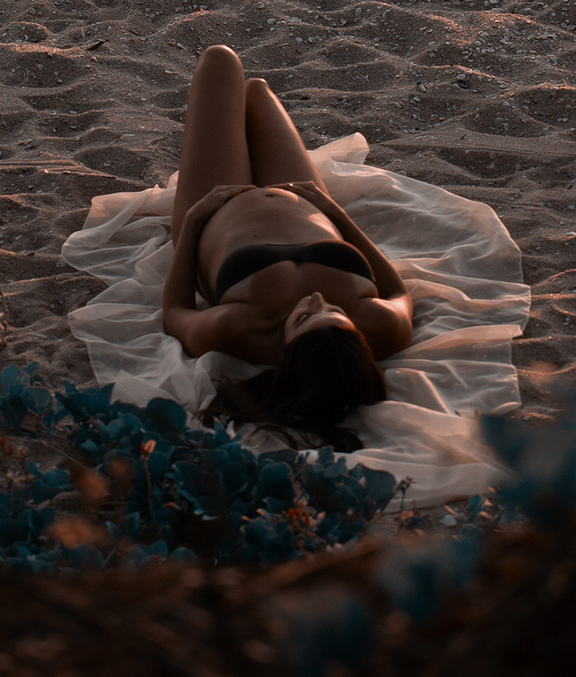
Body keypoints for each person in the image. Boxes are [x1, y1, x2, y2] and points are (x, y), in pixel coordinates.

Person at [162, 44, 413, 447]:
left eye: (304, 317)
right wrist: (336, 213)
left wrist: (192, 222)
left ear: (285, 351)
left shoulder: (235, 328)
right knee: (257, 91)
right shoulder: (380, 327)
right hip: (303, 197)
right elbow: (399, 290)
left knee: (221, 61)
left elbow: (174, 312)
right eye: (333, 311)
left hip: (216, 206)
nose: (317, 298)